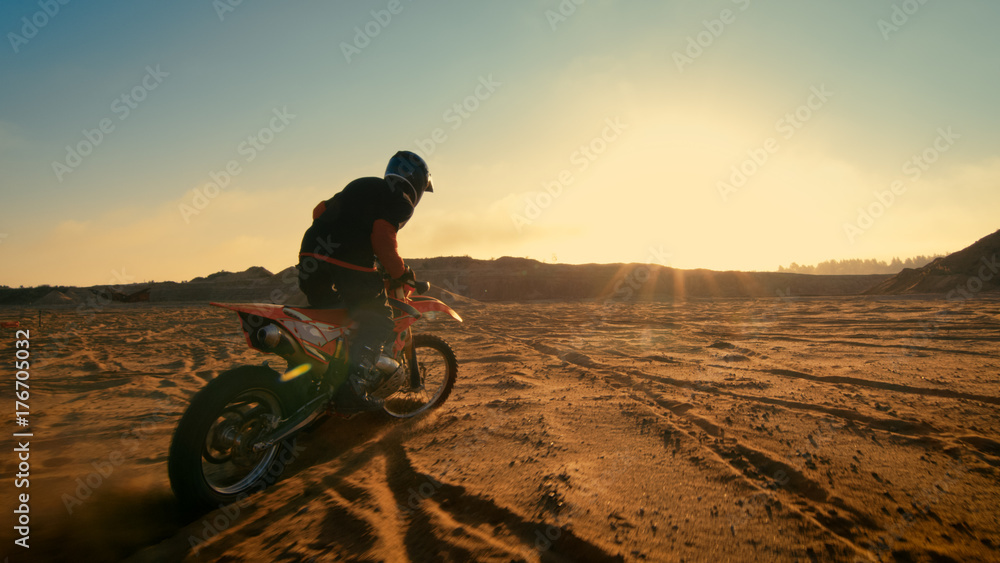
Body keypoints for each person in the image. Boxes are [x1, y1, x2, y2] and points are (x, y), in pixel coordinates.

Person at [297, 150, 433, 410]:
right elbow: (383, 237)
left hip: (309, 255)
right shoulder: (401, 201)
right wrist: (400, 273)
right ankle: (353, 388)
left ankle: (324, 378)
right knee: (379, 320)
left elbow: (319, 211)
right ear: (416, 182)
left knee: (335, 316)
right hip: (346, 260)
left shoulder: (363, 184)